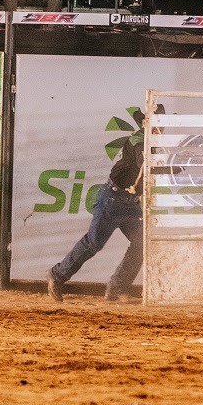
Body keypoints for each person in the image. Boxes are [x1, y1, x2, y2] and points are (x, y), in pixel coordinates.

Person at [47, 106, 155, 303]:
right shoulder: (138, 140)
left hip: (129, 203)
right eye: (155, 124)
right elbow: (143, 162)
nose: (158, 129)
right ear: (145, 124)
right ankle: (57, 275)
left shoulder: (153, 144)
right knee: (94, 242)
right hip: (112, 201)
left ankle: (117, 288)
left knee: (142, 244)